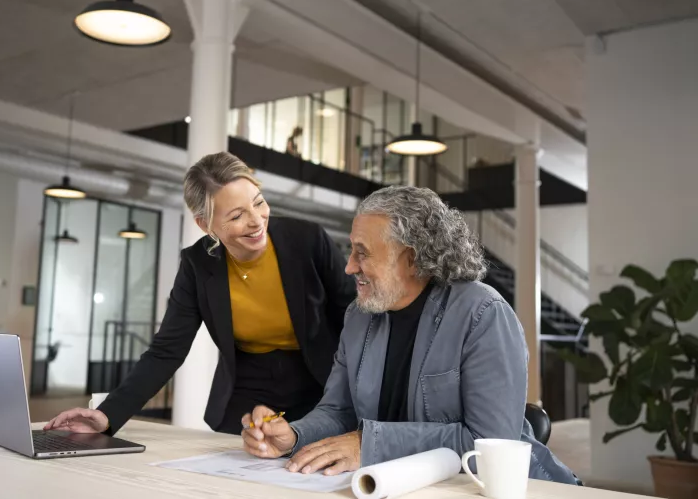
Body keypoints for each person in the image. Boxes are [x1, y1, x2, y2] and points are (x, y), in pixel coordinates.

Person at [241, 185, 580, 485]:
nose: (349, 266)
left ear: (412, 259)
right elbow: (338, 411)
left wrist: (367, 444)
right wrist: (294, 436)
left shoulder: (484, 315)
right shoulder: (359, 316)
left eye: (362, 252)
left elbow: (488, 443)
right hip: (395, 484)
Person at [45, 152, 356, 435]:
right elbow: (166, 350)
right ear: (206, 225)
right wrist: (107, 415)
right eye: (235, 216)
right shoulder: (198, 264)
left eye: (259, 202)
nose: (256, 220)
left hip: (319, 377)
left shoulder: (308, 240)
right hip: (248, 386)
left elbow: (355, 317)